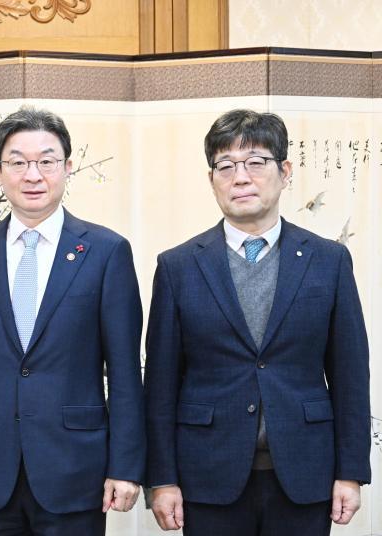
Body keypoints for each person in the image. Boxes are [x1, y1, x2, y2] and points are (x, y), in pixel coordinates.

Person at [144, 109, 371, 535]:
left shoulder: (328, 261)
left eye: (255, 162)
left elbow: (350, 375)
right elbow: (160, 384)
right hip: (206, 476)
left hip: (305, 473)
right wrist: (162, 479)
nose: (240, 177)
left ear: (285, 172)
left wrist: (351, 471)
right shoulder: (178, 267)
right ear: (211, 179)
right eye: (225, 166)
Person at [0, 107, 145, 535]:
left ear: (68, 167)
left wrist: (125, 466)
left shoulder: (106, 252)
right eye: (17, 162)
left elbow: (124, 371)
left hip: (75, 467)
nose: (33, 175)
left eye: (46, 161)